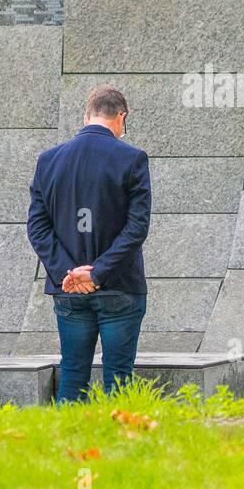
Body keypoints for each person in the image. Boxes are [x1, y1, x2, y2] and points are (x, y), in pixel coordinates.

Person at [26, 84, 151, 403]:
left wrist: (69, 273)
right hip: (119, 287)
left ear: (87, 116)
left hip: (68, 291)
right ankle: (118, 445)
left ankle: (65, 448)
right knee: (119, 377)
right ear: (121, 117)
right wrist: (97, 273)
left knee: (73, 374)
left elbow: (38, 228)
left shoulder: (49, 160)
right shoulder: (133, 158)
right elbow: (136, 228)